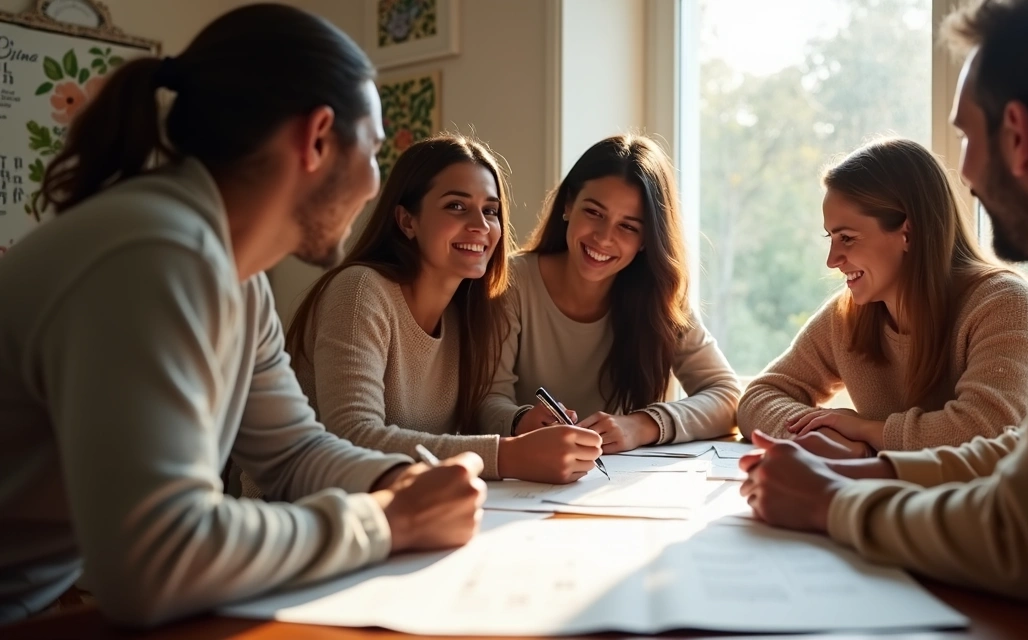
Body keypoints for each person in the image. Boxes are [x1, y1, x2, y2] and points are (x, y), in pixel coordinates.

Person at [739, 1, 1028, 637]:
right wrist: (878, 468)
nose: (963, 175)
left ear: (1017, 134)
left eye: (966, 137)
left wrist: (833, 502)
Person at [0, 4, 484, 626]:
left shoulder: (236, 272)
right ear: (316, 138)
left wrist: (399, 479)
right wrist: (386, 521)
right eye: (371, 153)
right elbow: (156, 562)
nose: (371, 185)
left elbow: (291, 454)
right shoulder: (155, 254)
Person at [277, 135, 601, 486]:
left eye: (490, 210)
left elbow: (476, 415)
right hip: (303, 514)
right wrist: (508, 455)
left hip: (405, 508)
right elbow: (354, 437)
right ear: (407, 221)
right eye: (456, 207)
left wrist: (519, 422)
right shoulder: (360, 291)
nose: (480, 224)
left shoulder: (468, 311)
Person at [738, 137, 1028, 458]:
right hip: (893, 500)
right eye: (830, 237)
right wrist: (830, 439)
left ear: (908, 233)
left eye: (847, 238)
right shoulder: (848, 317)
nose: (832, 260)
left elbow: (988, 430)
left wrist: (868, 431)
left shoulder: (1005, 303)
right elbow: (760, 396)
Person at [477, 135, 740, 453]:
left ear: (646, 239)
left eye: (628, 227)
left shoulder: (660, 294)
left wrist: (642, 425)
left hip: (620, 483)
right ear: (569, 204)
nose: (603, 238)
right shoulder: (510, 280)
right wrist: (520, 421)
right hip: (529, 473)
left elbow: (726, 395)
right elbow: (486, 400)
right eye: (594, 213)